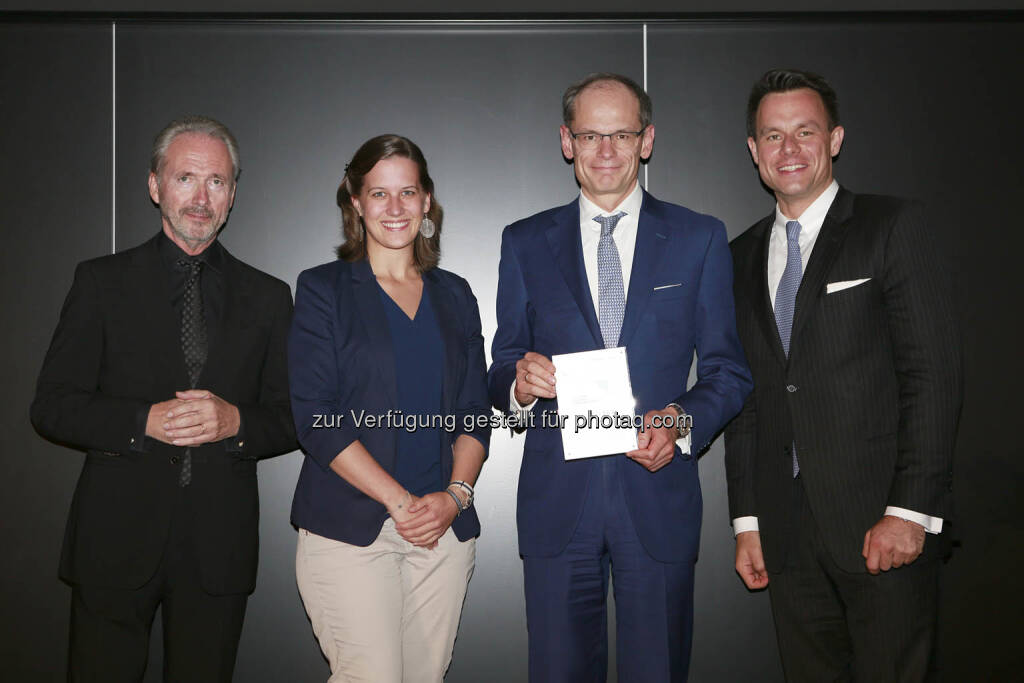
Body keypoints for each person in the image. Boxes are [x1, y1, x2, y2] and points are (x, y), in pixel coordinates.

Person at [487, 73, 752, 682]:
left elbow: (727, 371)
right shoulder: (524, 242)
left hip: (656, 500)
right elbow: (503, 362)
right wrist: (518, 385)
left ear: (647, 140)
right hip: (559, 505)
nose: (606, 150)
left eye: (622, 134)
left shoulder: (698, 238)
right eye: (590, 134)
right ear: (566, 141)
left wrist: (681, 420)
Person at [30, 115, 297, 681]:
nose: (201, 197)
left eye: (217, 182)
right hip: (112, 544)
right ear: (155, 187)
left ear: (232, 196)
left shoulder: (270, 297)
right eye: (185, 178)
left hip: (217, 552)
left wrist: (235, 422)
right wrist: (140, 421)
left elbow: (294, 417)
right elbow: (51, 405)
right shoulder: (100, 282)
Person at [725, 68, 963, 682]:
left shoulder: (891, 227)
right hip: (786, 535)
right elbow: (748, 401)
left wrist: (910, 511)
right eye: (772, 136)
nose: (790, 149)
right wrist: (748, 521)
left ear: (834, 139)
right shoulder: (738, 256)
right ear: (754, 152)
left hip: (881, 524)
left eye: (805, 131)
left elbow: (932, 376)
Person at [288, 134, 490, 683]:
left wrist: (454, 497)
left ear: (427, 200)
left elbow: (475, 410)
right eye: (379, 194)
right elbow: (316, 417)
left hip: (442, 533)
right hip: (350, 530)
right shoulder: (323, 289)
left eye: (408, 192)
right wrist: (400, 501)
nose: (395, 208)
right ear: (355, 201)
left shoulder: (456, 295)